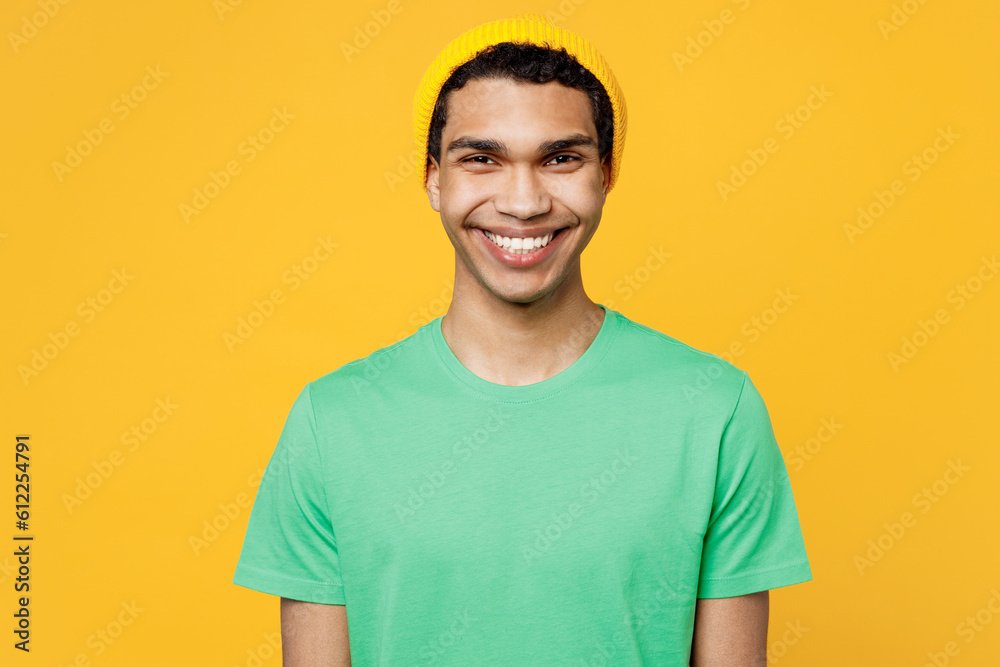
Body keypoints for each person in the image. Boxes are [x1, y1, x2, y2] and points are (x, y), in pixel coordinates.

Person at [233, 13, 812, 666]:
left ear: (606, 173)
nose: (524, 200)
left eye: (561, 158)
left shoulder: (714, 410)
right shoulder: (331, 422)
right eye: (482, 159)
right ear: (433, 178)